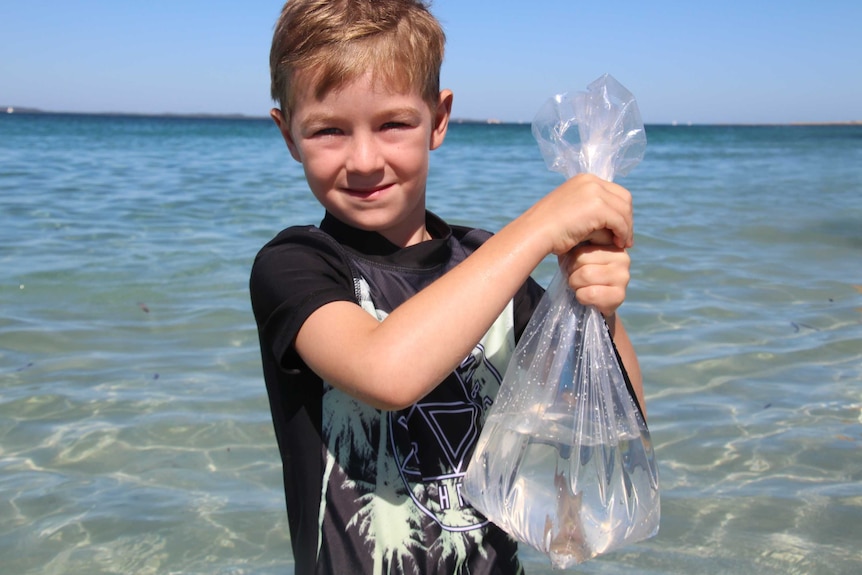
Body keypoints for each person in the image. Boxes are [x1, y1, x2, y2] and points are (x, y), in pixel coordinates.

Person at [250, 0, 645, 573]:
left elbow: (602, 416)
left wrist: (598, 312)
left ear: (438, 119)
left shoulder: (490, 265)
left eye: (393, 124)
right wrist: (537, 227)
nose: (364, 160)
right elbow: (386, 373)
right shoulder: (296, 266)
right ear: (288, 134)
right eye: (328, 130)